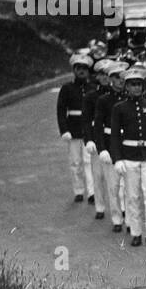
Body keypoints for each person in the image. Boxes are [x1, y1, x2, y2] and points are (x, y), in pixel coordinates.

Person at [108, 63, 146, 249]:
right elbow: (115, 135)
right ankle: (135, 232)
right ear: (126, 86)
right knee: (132, 196)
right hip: (129, 157)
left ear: (144, 87)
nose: (136, 88)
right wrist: (117, 159)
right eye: (132, 84)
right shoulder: (119, 108)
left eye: (139, 84)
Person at [87, 60, 126, 231]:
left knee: (130, 186)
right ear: (110, 79)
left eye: (122, 77)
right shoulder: (103, 100)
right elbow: (97, 126)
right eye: (116, 77)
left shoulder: (130, 98)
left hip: (128, 144)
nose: (120, 81)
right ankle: (117, 218)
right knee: (113, 185)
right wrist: (101, 148)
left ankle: (130, 218)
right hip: (111, 144)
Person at [58, 53, 96, 204]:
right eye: (78, 68)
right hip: (73, 128)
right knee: (75, 163)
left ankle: (92, 192)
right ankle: (79, 190)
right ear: (74, 70)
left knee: (89, 162)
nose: (81, 71)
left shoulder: (93, 88)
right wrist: (64, 130)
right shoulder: (67, 88)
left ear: (88, 71)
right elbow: (61, 110)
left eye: (84, 69)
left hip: (89, 129)